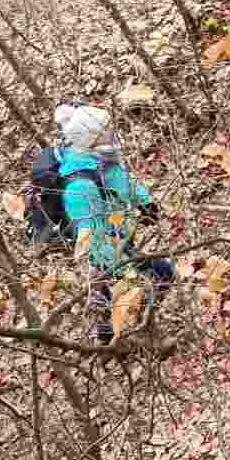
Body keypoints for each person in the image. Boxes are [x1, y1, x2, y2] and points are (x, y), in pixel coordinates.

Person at [56, 105, 174, 344]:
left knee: (156, 277)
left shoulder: (102, 159)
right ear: (91, 137)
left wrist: (146, 203)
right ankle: (140, 338)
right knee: (144, 281)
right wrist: (121, 266)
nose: (112, 130)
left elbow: (122, 180)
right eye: (106, 128)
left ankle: (113, 333)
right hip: (107, 251)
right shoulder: (79, 184)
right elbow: (91, 236)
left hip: (120, 237)